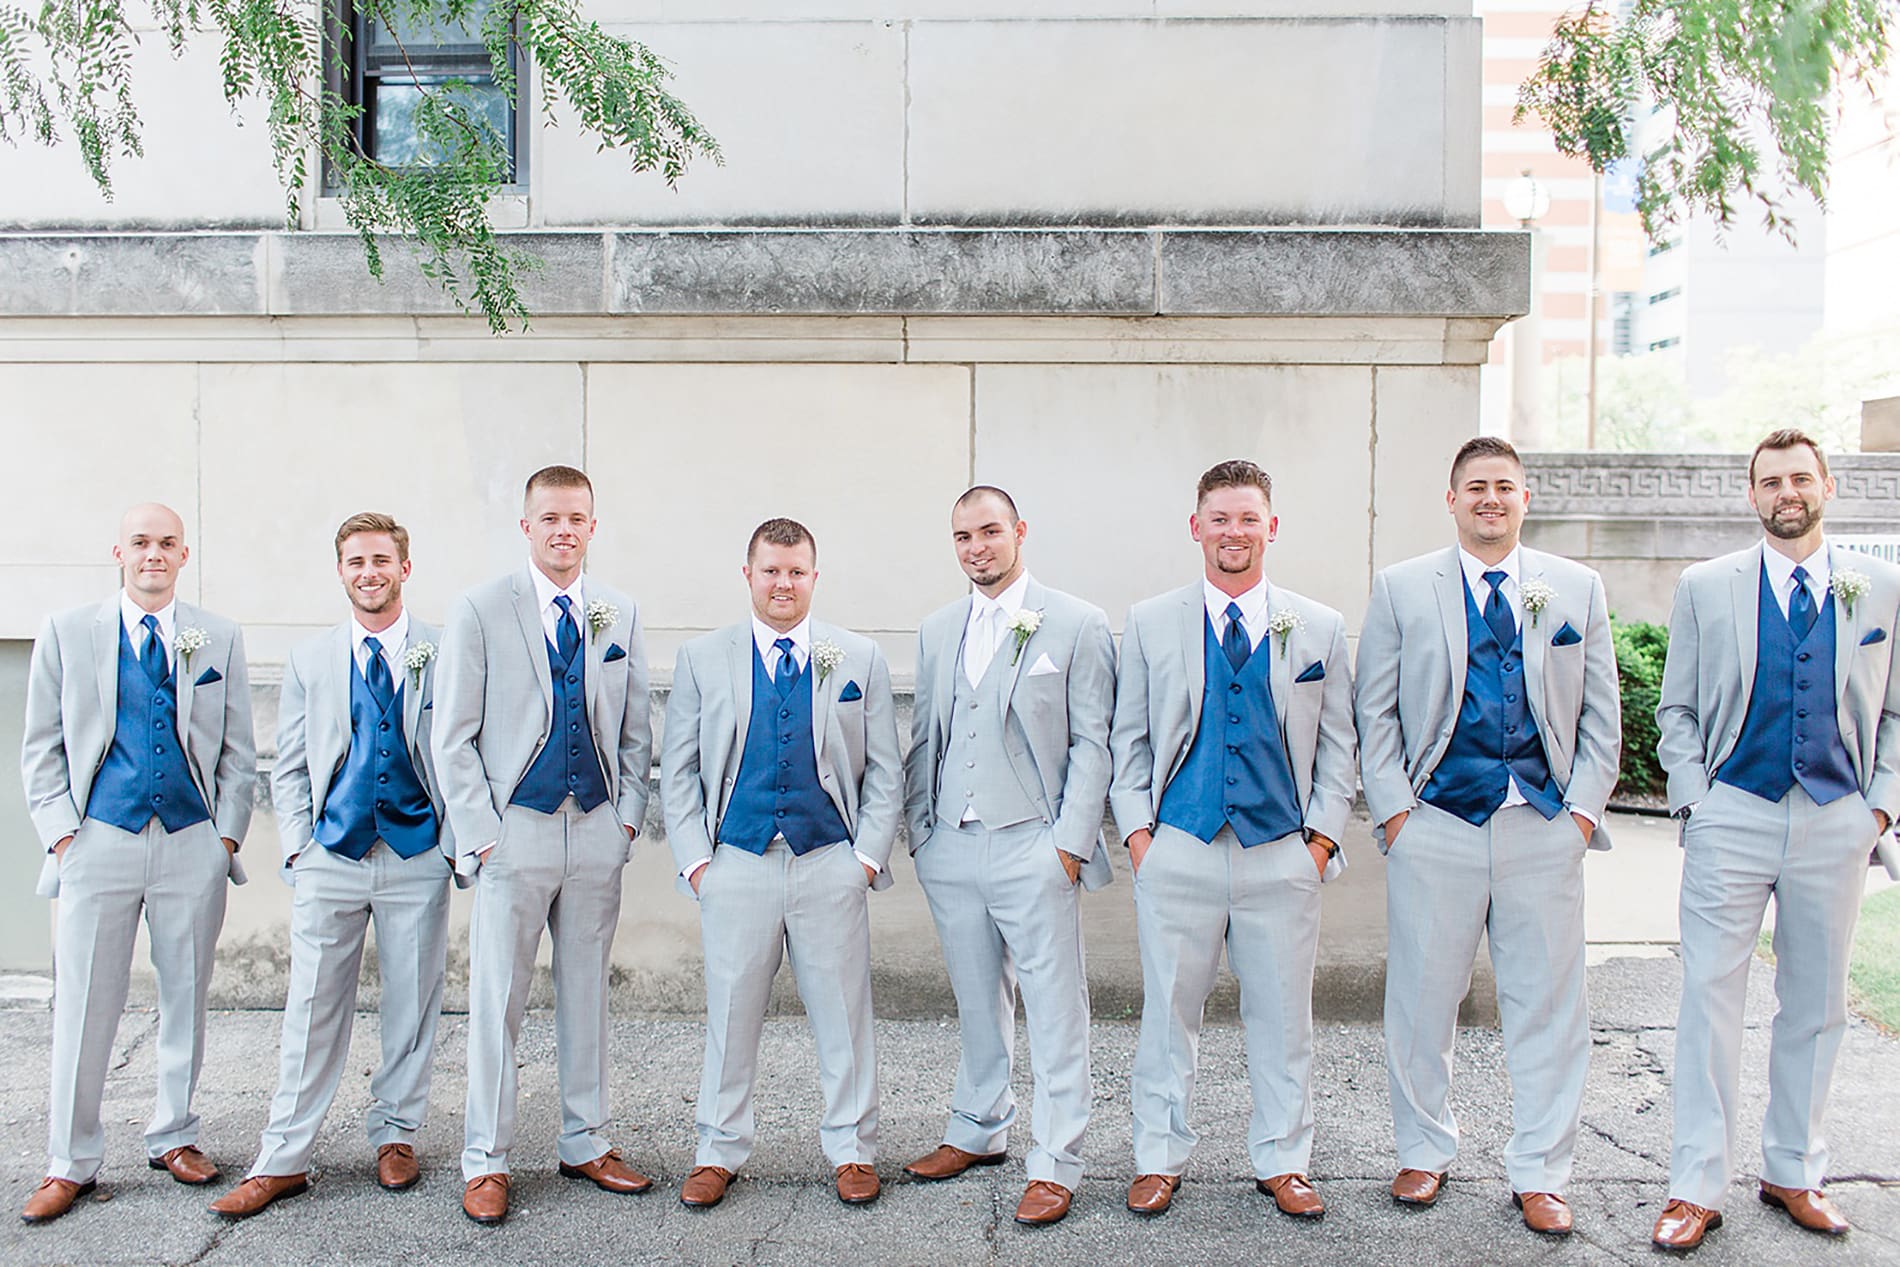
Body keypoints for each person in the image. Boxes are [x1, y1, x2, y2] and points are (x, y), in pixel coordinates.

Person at [1355, 435, 1620, 1237]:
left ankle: (1541, 1170)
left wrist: (1580, 813)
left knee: (1546, 1003)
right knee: (1423, 999)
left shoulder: (1576, 587)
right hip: (1436, 820)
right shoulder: (1403, 588)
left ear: (1525, 497)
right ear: (1452, 499)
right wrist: (1396, 813)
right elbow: (1376, 711)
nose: (1490, 499)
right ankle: (1424, 1150)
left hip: (1543, 824)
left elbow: (1602, 715)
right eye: (1475, 487)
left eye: (1504, 486)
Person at [1649, 429, 1900, 1250]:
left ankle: (1795, 1168)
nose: (1786, 491)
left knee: (1818, 1005)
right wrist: (1698, 802)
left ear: (1826, 484)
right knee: (1709, 1003)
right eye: (1770, 480)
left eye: (1800, 476)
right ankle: (1696, 1186)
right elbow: (1676, 711)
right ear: (1751, 495)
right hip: (1735, 811)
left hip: (1837, 815)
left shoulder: (1883, 588)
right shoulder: (1706, 585)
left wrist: (1878, 811)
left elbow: (1895, 714)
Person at [1110, 460, 1355, 1220]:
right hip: (1179, 843)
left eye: (1248, 518)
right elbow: (1131, 739)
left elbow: (1341, 745)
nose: (1234, 532)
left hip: (1281, 849)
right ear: (1196, 527)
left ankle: (1284, 1160)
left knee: (1284, 1016)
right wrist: (1141, 837)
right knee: (1168, 1014)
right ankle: (1158, 1157)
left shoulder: (1318, 625)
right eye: (1220, 518)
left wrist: (1319, 841)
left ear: (1271, 527)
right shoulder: (1152, 620)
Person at [210, 513, 453, 1217]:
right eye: (355, 561)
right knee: (311, 1007)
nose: (369, 571)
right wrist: (296, 847)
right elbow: (287, 763)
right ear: (340, 570)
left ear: (405, 568)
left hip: (417, 854)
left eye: (381, 559)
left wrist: (450, 844)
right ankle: (282, 1156)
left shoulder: (443, 649)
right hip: (332, 855)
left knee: (412, 1003)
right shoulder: (311, 658)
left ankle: (397, 1134)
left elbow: (464, 746)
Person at [20, 503, 256, 1223]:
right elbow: (41, 748)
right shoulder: (67, 632)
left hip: (191, 841)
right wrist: (66, 836)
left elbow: (239, 754)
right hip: (100, 838)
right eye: (141, 542)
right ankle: (71, 1160)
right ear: (117, 550)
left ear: (185, 554)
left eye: (166, 543)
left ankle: (175, 1134)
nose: (153, 553)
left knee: (185, 995)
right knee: (86, 1004)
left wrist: (225, 841)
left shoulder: (217, 634)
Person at [433, 465, 653, 1225]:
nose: (565, 529)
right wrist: (484, 837)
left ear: (594, 526)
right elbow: (452, 736)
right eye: (550, 517)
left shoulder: (618, 611)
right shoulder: (481, 608)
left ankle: (586, 1139)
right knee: (498, 998)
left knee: (588, 990)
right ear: (526, 526)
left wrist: (625, 821)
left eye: (578, 517)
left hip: (595, 828)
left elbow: (634, 735)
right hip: (514, 830)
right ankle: (486, 1159)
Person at [662, 518, 900, 1210]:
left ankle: (853, 1148)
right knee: (730, 1012)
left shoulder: (858, 657)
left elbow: (886, 770)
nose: (783, 583)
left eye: (796, 571)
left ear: (814, 577)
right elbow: (676, 771)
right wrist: (698, 863)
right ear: (748, 575)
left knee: (844, 1013)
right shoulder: (704, 658)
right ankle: (718, 1148)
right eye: (771, 570)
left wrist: (864, 859)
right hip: (735, 861)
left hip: (829, 859)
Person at [901, 486, 1116, 1226]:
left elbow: (1094, 742)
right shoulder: (936, 629)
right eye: (962, 536)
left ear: (1020, 531)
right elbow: (927, 735)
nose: (976, 548)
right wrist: (921, 833)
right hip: (951, 846)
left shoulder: (1077, 622)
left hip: (1036, 842)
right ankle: (978, 1127)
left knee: (1057, 1008)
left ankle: (1056, 1160)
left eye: (989, 531)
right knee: (975, 997)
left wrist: (1068, 845)